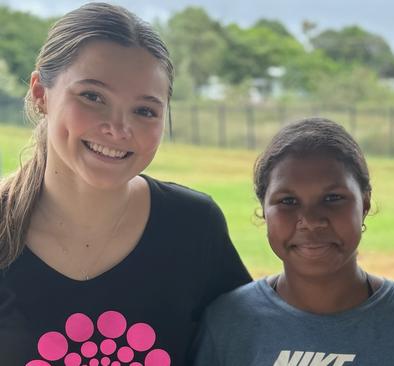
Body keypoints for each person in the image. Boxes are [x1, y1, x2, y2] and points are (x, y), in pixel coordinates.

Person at [0, 3, 251, 365]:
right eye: (93, 97)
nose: (118, 129)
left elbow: (255, 340)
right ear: (41, 93)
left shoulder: (193, 227)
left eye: (144, 110)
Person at [193, 117, 394, 366]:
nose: (311, 220)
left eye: (333, 198)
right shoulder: (227, 322)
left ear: (365, 204)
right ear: (263, 210)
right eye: (288, 202)